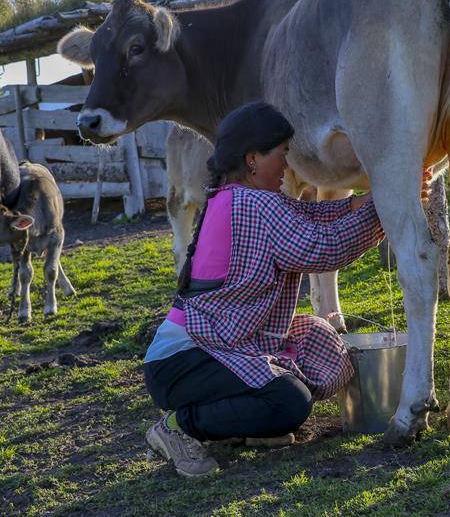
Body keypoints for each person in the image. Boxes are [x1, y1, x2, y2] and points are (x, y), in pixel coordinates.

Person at [142, 101, 390, 478]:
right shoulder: (249, 204)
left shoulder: (234, 197)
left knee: (317, 341)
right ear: (253, 158)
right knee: (288, 402)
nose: (287, 166)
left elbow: (306, 216)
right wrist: (381, 208)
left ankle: (248, 427)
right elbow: (319, 247)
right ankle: (178, 428)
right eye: (283, 154)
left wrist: (360, 203)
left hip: (209, 348)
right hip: (184, 361)